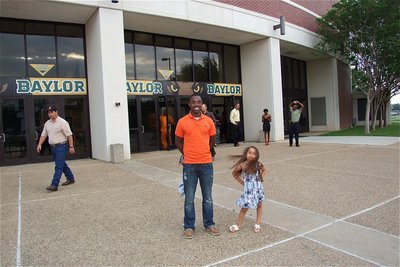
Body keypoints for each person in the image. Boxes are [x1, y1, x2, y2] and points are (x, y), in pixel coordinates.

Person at [175, 94, 219, 239]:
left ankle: (209, 224)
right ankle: (189, 226)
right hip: (189, 165)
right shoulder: (182, 122)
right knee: (189, 198)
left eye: (199, 102)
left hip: (206, 164)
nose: (196, 104)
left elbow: (213, 139)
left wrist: (206, 150)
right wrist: (187, 152)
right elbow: (178, 141)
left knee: (208, 197)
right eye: (193, 102)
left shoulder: (209, 121)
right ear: (189, 104)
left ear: (202, 104)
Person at [36, 105, 76, 191]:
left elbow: (69, 135)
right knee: (61, 164)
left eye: (52, 112)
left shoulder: (63, 122)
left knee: (58, 166)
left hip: (61, 146)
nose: (50, 114)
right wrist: (39, 144)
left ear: (56, 112)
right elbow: (43, 134)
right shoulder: (47, 123)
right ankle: (71, 178)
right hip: (53, 148)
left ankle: (54, 184)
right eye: (48, 112)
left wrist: (71, 146)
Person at [229, 146, 267, 233]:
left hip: (258, 190)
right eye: (250, 153)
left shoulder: (258, 164)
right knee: (244, 208)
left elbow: (264, 170)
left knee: (259, 205)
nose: (251, 155)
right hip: (249, 191)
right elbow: (234, 173)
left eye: (254, 154)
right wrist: (242, 182)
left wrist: (261, 178)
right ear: (246, 154)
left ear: (257, 156)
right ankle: (238, 225)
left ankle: (257, 224)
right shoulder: (243, 165)